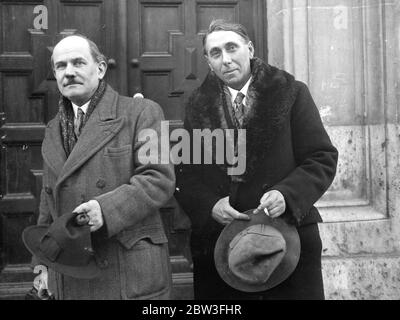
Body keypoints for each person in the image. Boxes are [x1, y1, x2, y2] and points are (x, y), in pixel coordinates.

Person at [175, 20, 338, 300]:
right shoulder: (197, 106)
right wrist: (209, 205)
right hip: (223, 245)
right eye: (215, 53)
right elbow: (185, 174)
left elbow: (321, 157)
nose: (225, 59)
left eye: (231, 48)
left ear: (249, 49)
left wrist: (286, 194)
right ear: (207, 61)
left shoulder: (291, 93)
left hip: (287, 237)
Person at [30, 34, 175, 300]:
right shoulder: (53, 129)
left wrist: (104, 210)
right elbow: (47, 200)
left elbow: (158, 178)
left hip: (127, 268)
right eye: (61, 66)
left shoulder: (141, 112)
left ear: (100, 68)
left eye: (78, 63)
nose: (69, 72)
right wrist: (43, 262)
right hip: (72, 270)